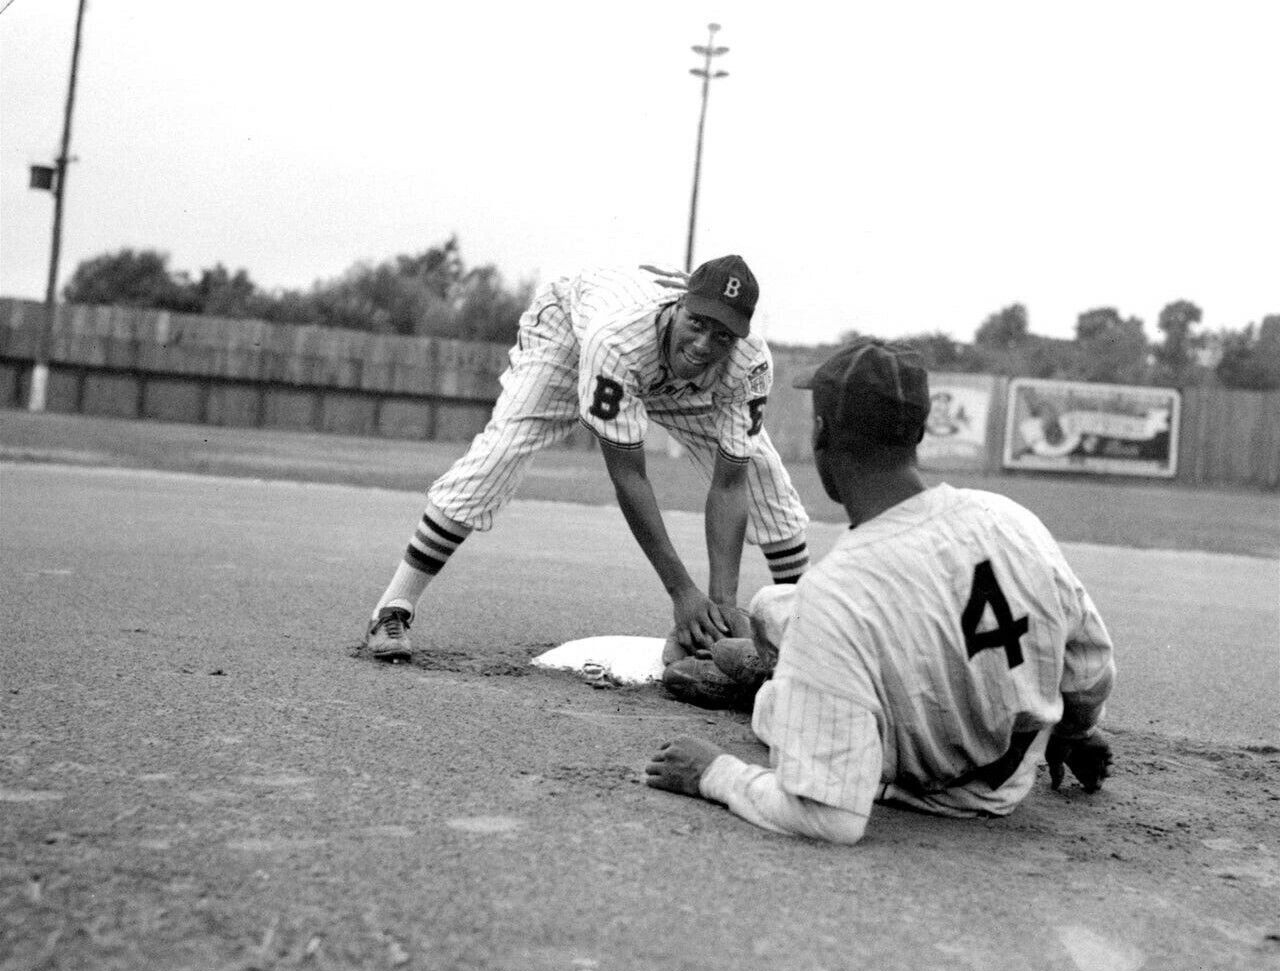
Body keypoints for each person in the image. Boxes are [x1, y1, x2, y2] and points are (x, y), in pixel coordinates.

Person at [646, 341, 1116, 844]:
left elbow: (828, 815)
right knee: (771, 607)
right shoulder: (1010, 519)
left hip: (925, 787)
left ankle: (769, 683)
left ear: (821, 433)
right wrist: (1076, 731)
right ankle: (780, 663)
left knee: (781, 680)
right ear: (919, 431)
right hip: (1007, 777)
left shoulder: (841, 589)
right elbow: (1090, 667)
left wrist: (714, 772)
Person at [365, 255, 810, 662]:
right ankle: (393, 607)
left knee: (762, 474)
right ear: (679, 305)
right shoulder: (617, 339)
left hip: (673, 378)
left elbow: (730, 484)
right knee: (500, 454)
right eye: (697, 323)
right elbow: (630, 478)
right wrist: (683, 594)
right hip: (571, 336)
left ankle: (804, 635)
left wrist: (721, 608)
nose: (704, 343)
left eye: (723, 335)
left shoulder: (748, 362)